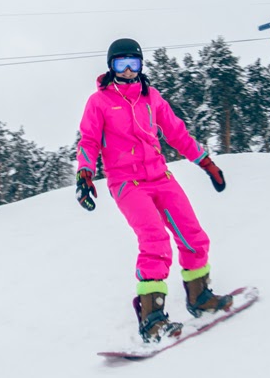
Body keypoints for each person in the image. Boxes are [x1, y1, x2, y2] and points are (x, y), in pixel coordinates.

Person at [75, 38, 233, 343]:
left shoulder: (151, 97)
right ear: (111, 67)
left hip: (161, 176)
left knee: (193, 234)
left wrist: (205, 162)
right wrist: (85, 172)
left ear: (140, 65)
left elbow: (177, 132)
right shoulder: (99, 102)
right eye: (121, 64)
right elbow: (89, 141)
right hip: (126, 182)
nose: (128, 70)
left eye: (133, 63)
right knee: (154, 240)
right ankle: (152, 319)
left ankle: (199, 297)